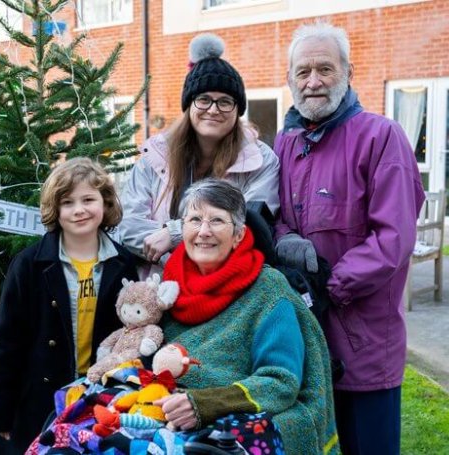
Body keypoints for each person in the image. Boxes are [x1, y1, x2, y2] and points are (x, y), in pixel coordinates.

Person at [273, 23, 425, 455]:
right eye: (302, 72)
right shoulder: (286, 143)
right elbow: (276, 217)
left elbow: (393, 238)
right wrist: (291, 257)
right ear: (290, 79)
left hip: (364, 339)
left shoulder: (382, 137)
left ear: (348, 71)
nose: (313, 81)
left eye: (325, 68)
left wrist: (330, 286)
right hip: (305, 335)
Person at [157, 179, 338, 454]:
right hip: (170, 405)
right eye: (194, 220)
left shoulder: (268, 289)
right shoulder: (169, 287)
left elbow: (281, 381)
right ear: (182, 228)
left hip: (232, 413)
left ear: (239, 235)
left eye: (217, 221)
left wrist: (206, 404)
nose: (203, 232)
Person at [0, 158, 138, 454]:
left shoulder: (123, 263)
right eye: (68, 202)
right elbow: (6, 343)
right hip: (36, 399)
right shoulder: (29, 265)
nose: (79, 210)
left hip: (98, 398)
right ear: (56, 209)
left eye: (88, 199)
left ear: (104, 204)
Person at [119, 33, 279, 274]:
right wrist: (176, 262)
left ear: (238, 110)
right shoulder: (155, 156)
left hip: (227, 291)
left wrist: (173, 234)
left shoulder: (260, 160)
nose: (213, 110)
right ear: (189, 105)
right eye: (203, 99)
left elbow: (248, 224)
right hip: (159, 293)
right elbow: (128, 227)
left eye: (225, 102)